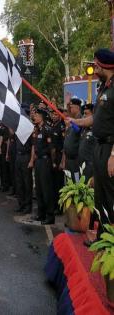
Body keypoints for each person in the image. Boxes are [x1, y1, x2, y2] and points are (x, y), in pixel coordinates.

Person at [68, 48, 114, 237]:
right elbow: (94, 119)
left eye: (96, 65)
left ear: (105, 65)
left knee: (110, 196)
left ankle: (111, 242)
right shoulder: (104, 88)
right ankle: (102, 236)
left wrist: (113, 155)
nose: (94, 69)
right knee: (100, 195)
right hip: (99, 146)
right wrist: (75, 121)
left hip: (110, 148)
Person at [31, 108, 56, 225]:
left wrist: (54, 162)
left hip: (45, 161)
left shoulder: (47, 129)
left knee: (46, 189)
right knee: (39, 189)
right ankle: (41, 214)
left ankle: (50, 216)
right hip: (38, 161)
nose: (34, 117)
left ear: (42, 117)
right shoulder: (37, 129)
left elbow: (52, 148)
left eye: (36, 115)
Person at [61, 98, 82, 182]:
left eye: (72, 107)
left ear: (77, 108)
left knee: (76, 182)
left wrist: (72, 124)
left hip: (75, 160)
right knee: (69, 182)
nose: (70, 109)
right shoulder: (71, 121)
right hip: (68, 159)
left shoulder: (80, 120)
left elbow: (78, 130)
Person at [77, 103, 96, 182]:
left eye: (86, 114)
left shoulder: (96, 130)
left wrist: (94, 174)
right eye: (83, 113)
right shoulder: (84, 129)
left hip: (90, 168)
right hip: (81, 165)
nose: (84, 116)